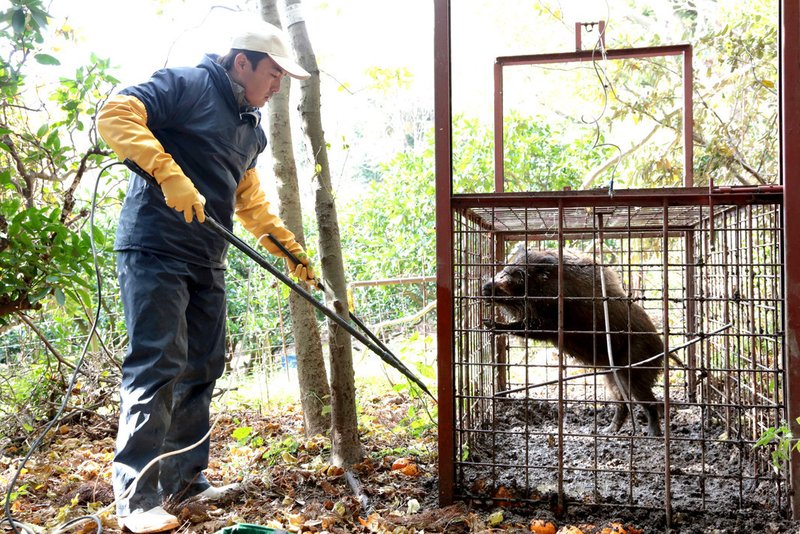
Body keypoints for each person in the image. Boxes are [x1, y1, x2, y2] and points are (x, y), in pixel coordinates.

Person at [97, 21, 314, 534]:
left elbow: (250, 198)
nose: (278, 84)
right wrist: (168, 173)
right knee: (158, 364)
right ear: (242, 62)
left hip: (204, 256)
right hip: (155, 248)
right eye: (274, 72)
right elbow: (116, 113)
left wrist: (288, 248)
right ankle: (136, 497)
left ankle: (184, 480)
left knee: (203, 365)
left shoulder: (250, 128)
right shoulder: (186, 85)